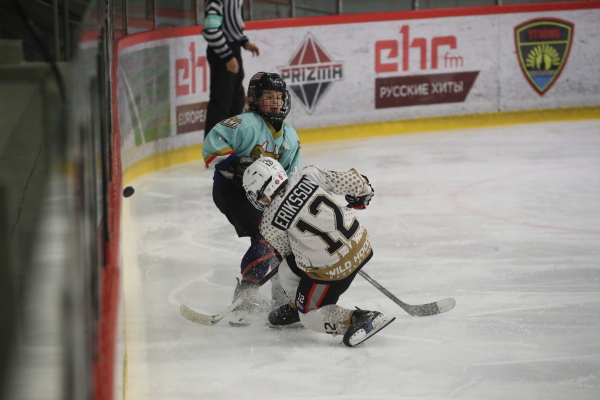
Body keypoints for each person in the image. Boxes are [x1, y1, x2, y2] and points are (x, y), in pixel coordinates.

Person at [241, 157, 396, 347]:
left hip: (332, 269)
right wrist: (364, 191)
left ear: (264, 189)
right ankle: (295, 307)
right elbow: (356, 181)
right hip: (361, 242)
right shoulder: (308, 174)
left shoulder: (268, 223)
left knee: (309, 317)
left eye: (256, 194)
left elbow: (287, 253)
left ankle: (360, 317)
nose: (258, 200)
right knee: (286, 270)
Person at [202, 72, 301, 326]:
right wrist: (234, 164)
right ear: (254, 99)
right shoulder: (244, 124)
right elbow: (213, 143)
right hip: (232, 192)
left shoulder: (290, 137)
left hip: (265, 198)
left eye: (279, 97)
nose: (275, 102)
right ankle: (245, 298)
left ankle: (282, 298)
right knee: (265, 236)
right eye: (268, 96)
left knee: (285, 241)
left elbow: (291, 176)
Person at [202, 0, 260, 137]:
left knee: (237, 100)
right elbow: (210, 30)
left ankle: (232, 141)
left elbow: (232, 25)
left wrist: (243, 42)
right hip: (222, 52)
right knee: (222, 101)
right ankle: (214, 146)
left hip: (233, 48)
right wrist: (227, 56)